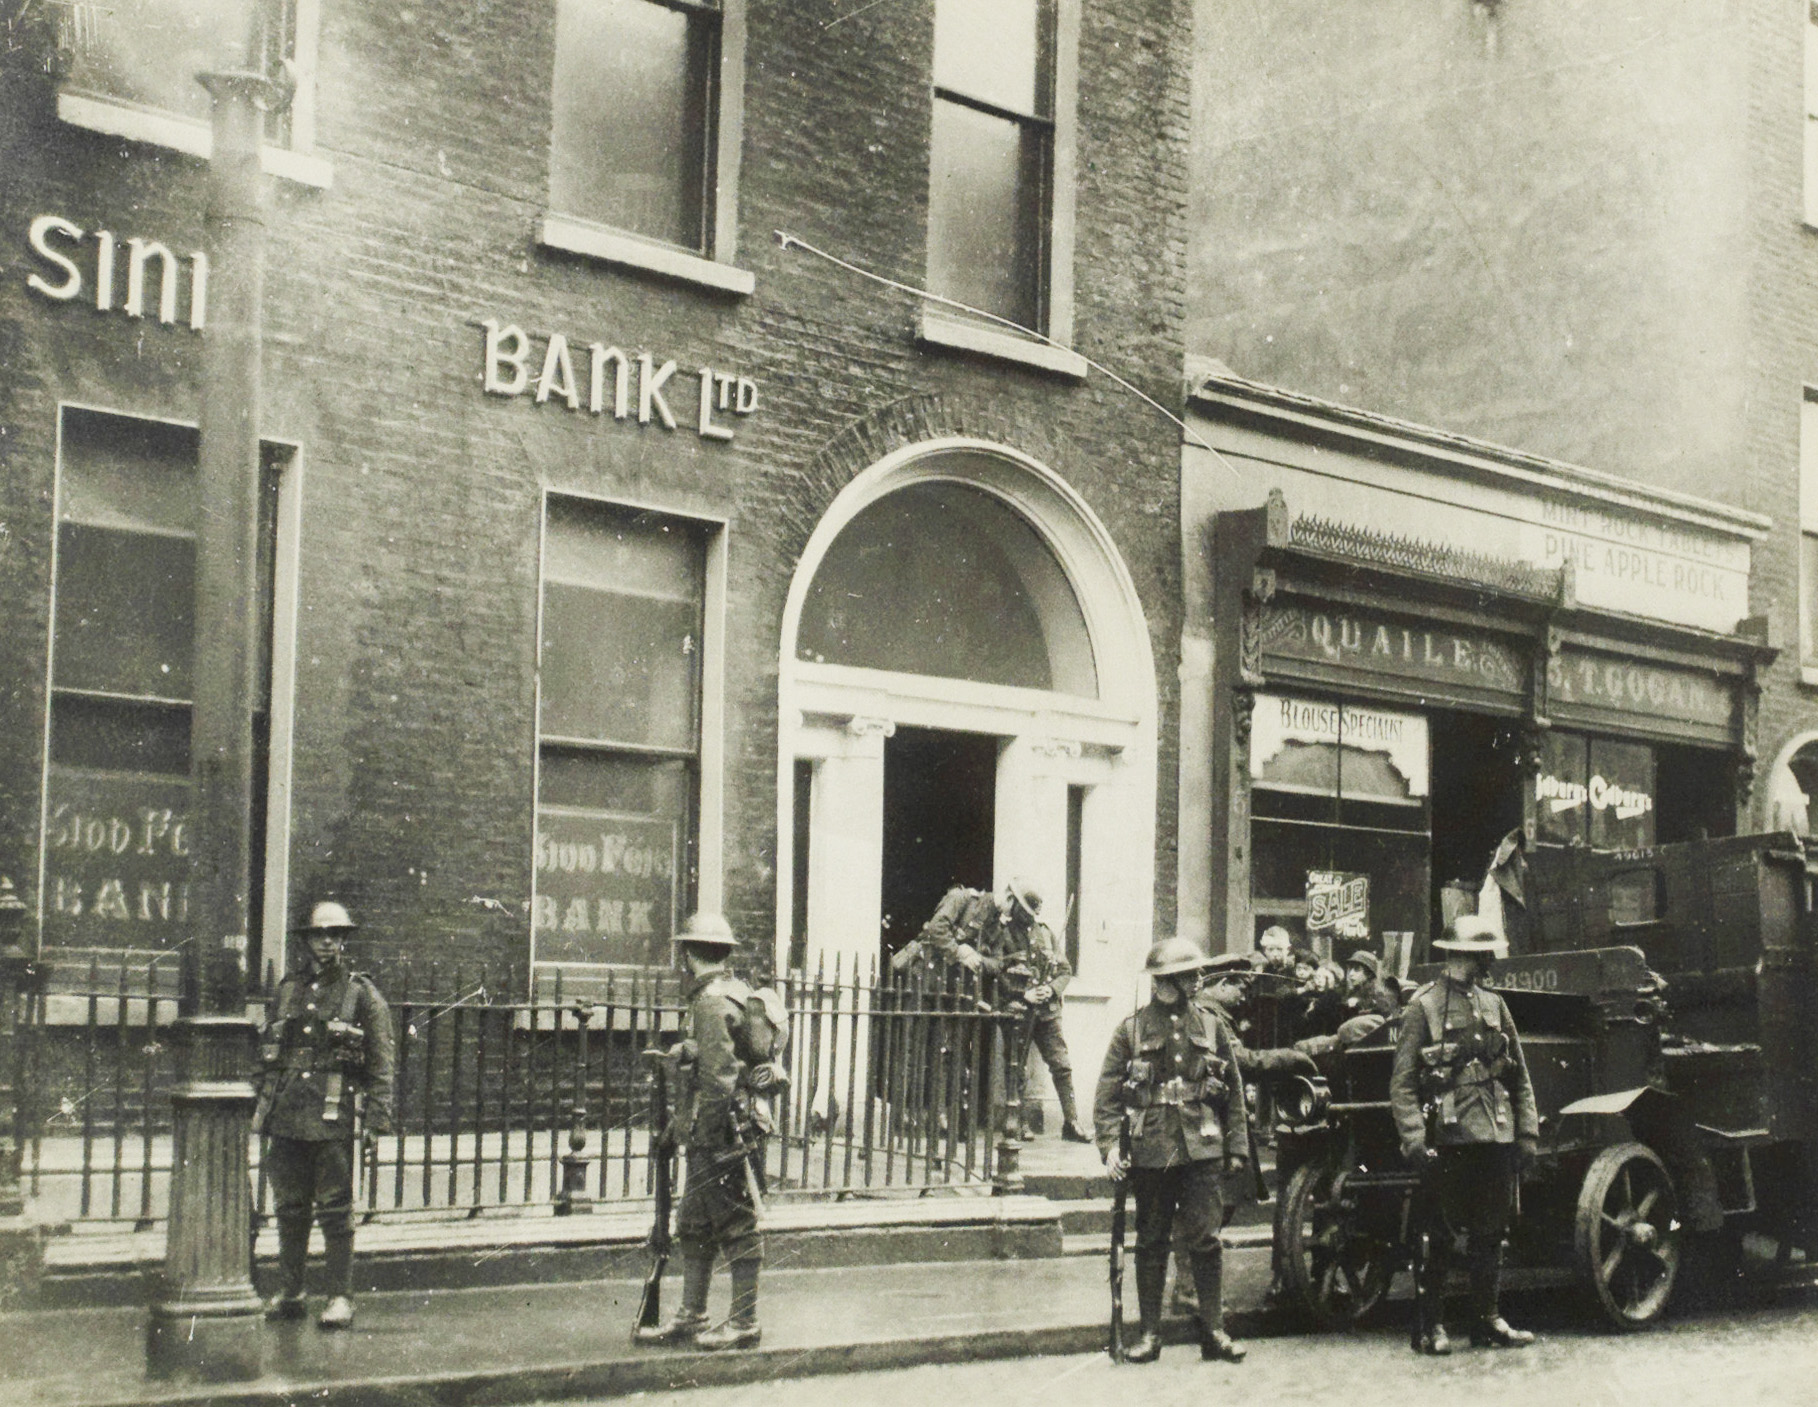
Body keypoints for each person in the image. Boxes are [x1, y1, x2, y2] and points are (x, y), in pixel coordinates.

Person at [1389, 915, 1539, 1356]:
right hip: (1446, 1137)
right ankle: (1432, 1324)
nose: (1488, 962)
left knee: (1491, 1233)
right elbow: (1403, 1083)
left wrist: (1526, 1131)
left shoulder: (1495, 1005)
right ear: (1463, 956)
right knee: (1438, 1235)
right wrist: (1415, 1138)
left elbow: (1519, 1075)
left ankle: (1487, 1320)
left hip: (1494, 1133)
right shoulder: (1425, 1006)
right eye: (1482, 954)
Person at [1095, 937, 1249, 1365]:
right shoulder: (1132, 1029)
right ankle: (1149, 1335)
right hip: (1152, 1148)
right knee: (1151, 1242)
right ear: (1168, 982)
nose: (1199, 980)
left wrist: (1236, 1147)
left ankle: (1214, 1332)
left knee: (1207, 1241)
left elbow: (1233, 1091)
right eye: (1190, 975)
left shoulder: (1212, 1026)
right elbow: (1107, 1095)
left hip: (1203, 1147)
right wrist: (1109, 1146)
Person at [636, 912, 783, 1351]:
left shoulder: (709, 1001)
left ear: (687, 954)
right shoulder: (729, 993)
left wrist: (713, 1139)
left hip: (722, 1131)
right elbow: (725, 1052)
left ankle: (744, 1322)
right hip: (718, 1126)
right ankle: (692, 1315)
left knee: (736, 1222)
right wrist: (686, 1051)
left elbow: (720, 1077)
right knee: (695, 1223)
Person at [254, 901, 395, 1329]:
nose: (328, 941)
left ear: (344, 940)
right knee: (290, 1207)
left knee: (335, 1208)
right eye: (320, 934)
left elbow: (381, 1062)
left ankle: (339, 1296)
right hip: (288, 1112)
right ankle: (292, 1291)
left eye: (336, 934)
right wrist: (262, 1103)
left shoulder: (361, 994)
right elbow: (268, 1054)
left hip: (332, 1112)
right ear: (308, 939)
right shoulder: (289, 989)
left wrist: (375, 1119)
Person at [978, 883, 1089, 1143]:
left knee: (1062, 1065)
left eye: (1032, 912)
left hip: (1047, 1012)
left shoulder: (1046, 934)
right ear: (1014, 905)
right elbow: (995, 972)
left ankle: (1071, 1122)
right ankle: (1017, 1122)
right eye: (1024, 910)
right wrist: (1021, 995)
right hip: (1018, 1011)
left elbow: (1064, 970)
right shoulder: (1001, 935)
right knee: (1016, 1066)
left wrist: (1050, 990)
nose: (1028, 916)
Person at [1340, 949, 1400, 1021]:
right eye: (1350, 969)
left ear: (1369, 974)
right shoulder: (1354, 992)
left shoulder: (1379, 995)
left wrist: (1358, 1003)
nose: (1351, 974)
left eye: (1357, 969)